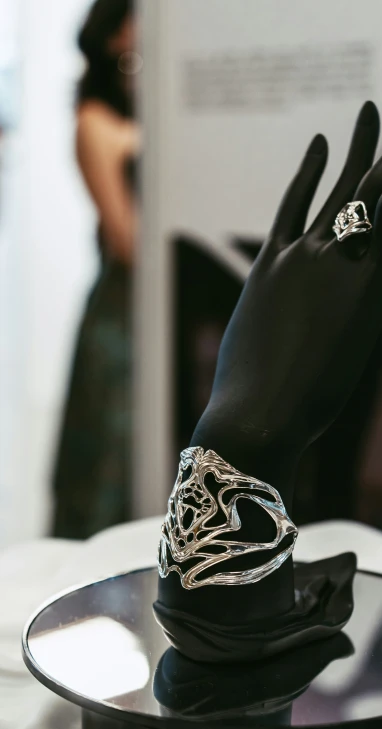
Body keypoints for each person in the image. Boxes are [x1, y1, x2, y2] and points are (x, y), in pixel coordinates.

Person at [52, 0, 140, 539]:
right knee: (109, 457)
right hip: (120, 315)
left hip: (159, 309)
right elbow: (126, 239)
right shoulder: (94, 122)